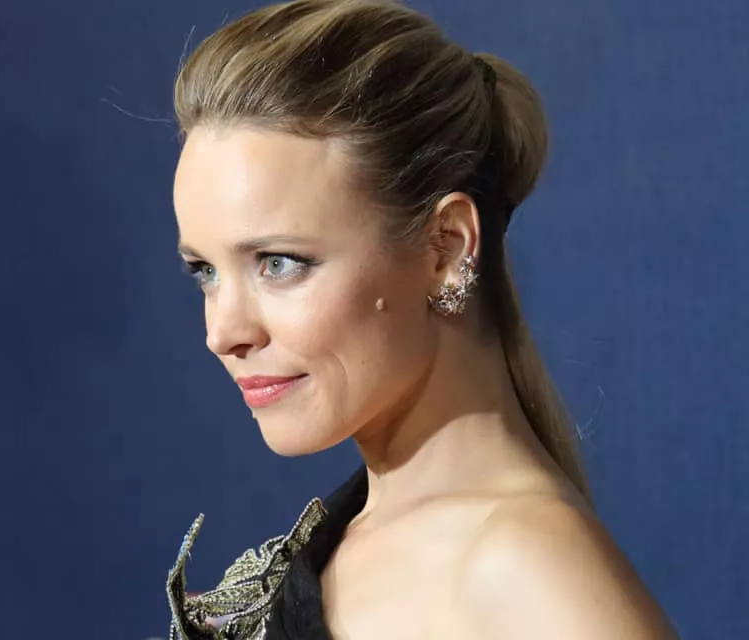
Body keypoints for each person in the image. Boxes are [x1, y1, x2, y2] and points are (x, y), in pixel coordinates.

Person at [165, 0, 678, 638]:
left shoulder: (527, 573)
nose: (223, 333)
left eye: (279, 263)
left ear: (446, 248)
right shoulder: (362, 537)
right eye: (205, 271)